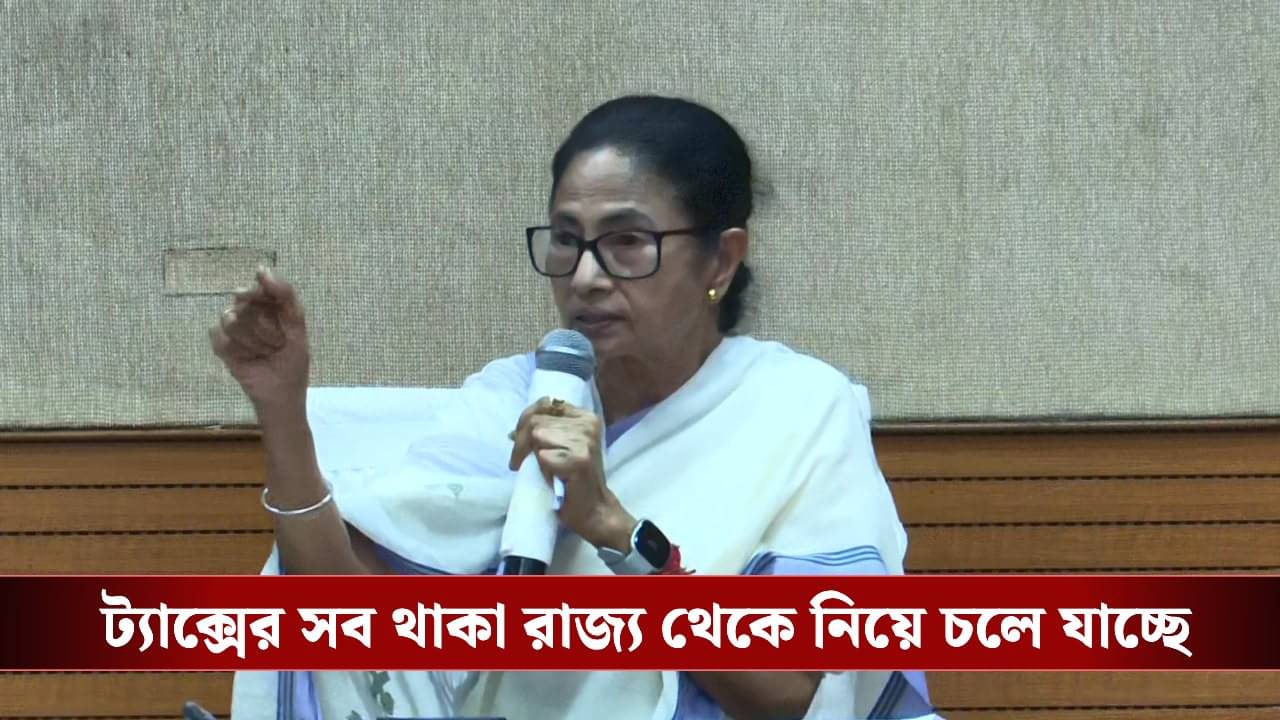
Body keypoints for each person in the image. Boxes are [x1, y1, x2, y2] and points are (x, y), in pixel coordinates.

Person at [219, 96, 937, 720]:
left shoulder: (796, 410)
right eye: (567, 240)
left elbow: (801, 697)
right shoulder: (509, 399)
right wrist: (282, 411)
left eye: (627, 243)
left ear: (720, 260)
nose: (586, 276)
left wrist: (616, 534)